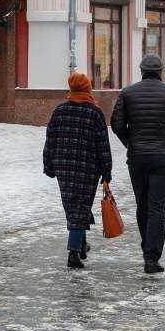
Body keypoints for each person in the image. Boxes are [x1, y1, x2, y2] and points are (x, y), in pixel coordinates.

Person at [111, 54, 165, 275]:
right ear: (160, 71)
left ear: (141, 71)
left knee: (142, 204)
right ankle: (152, 256)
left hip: (137, 157)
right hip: (163, 157)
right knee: (157, 206)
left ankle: (146, 247)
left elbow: (116, 123)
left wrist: (130, 142)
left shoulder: (127, 93)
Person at [42, 72, 113, 270]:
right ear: (87, 89)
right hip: (87, 168)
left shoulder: (59, 111)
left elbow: (50, 140)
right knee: (80, 206)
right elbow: (102, 144)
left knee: (74, 206)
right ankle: (73, 252)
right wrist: (106, 169)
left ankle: (81, 245)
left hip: (64, 167)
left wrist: (48, 164)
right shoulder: (94, 112)